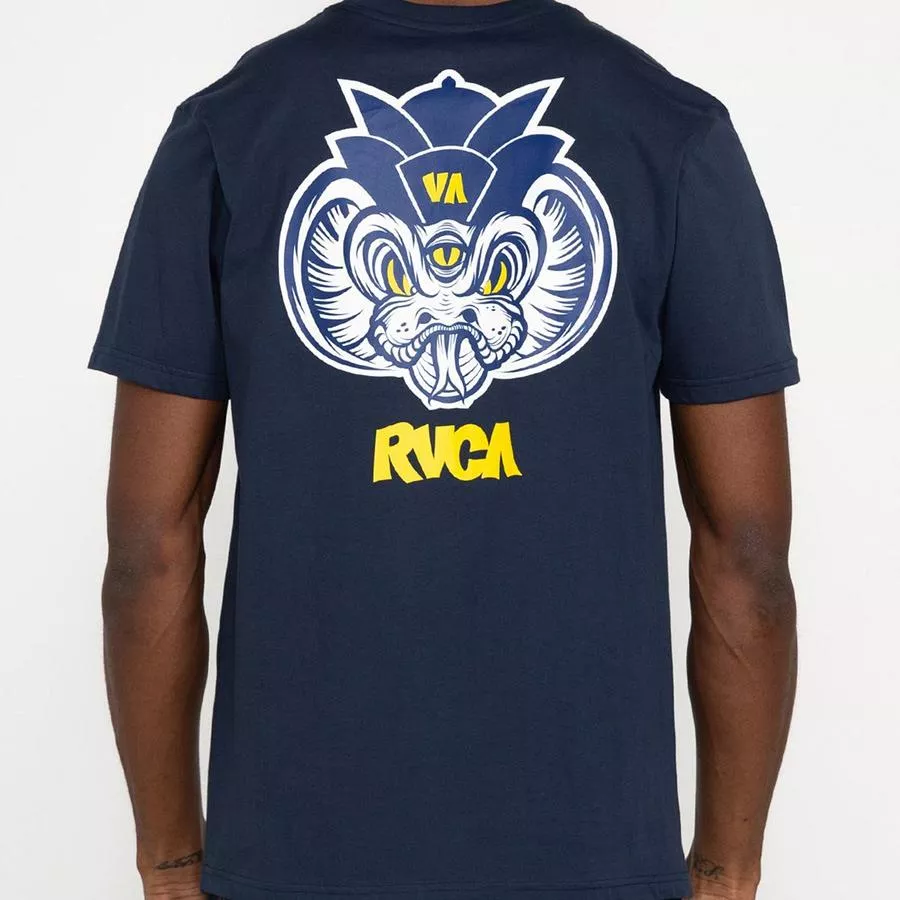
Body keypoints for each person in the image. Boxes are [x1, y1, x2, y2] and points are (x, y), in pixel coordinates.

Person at [90, 0, 799, 898]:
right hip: (593, 857)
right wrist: (727, 872)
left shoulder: (232, 125)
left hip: (293, 857)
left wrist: (170, 862)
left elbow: (148, 549)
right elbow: (747, 554)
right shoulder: (668, 127)